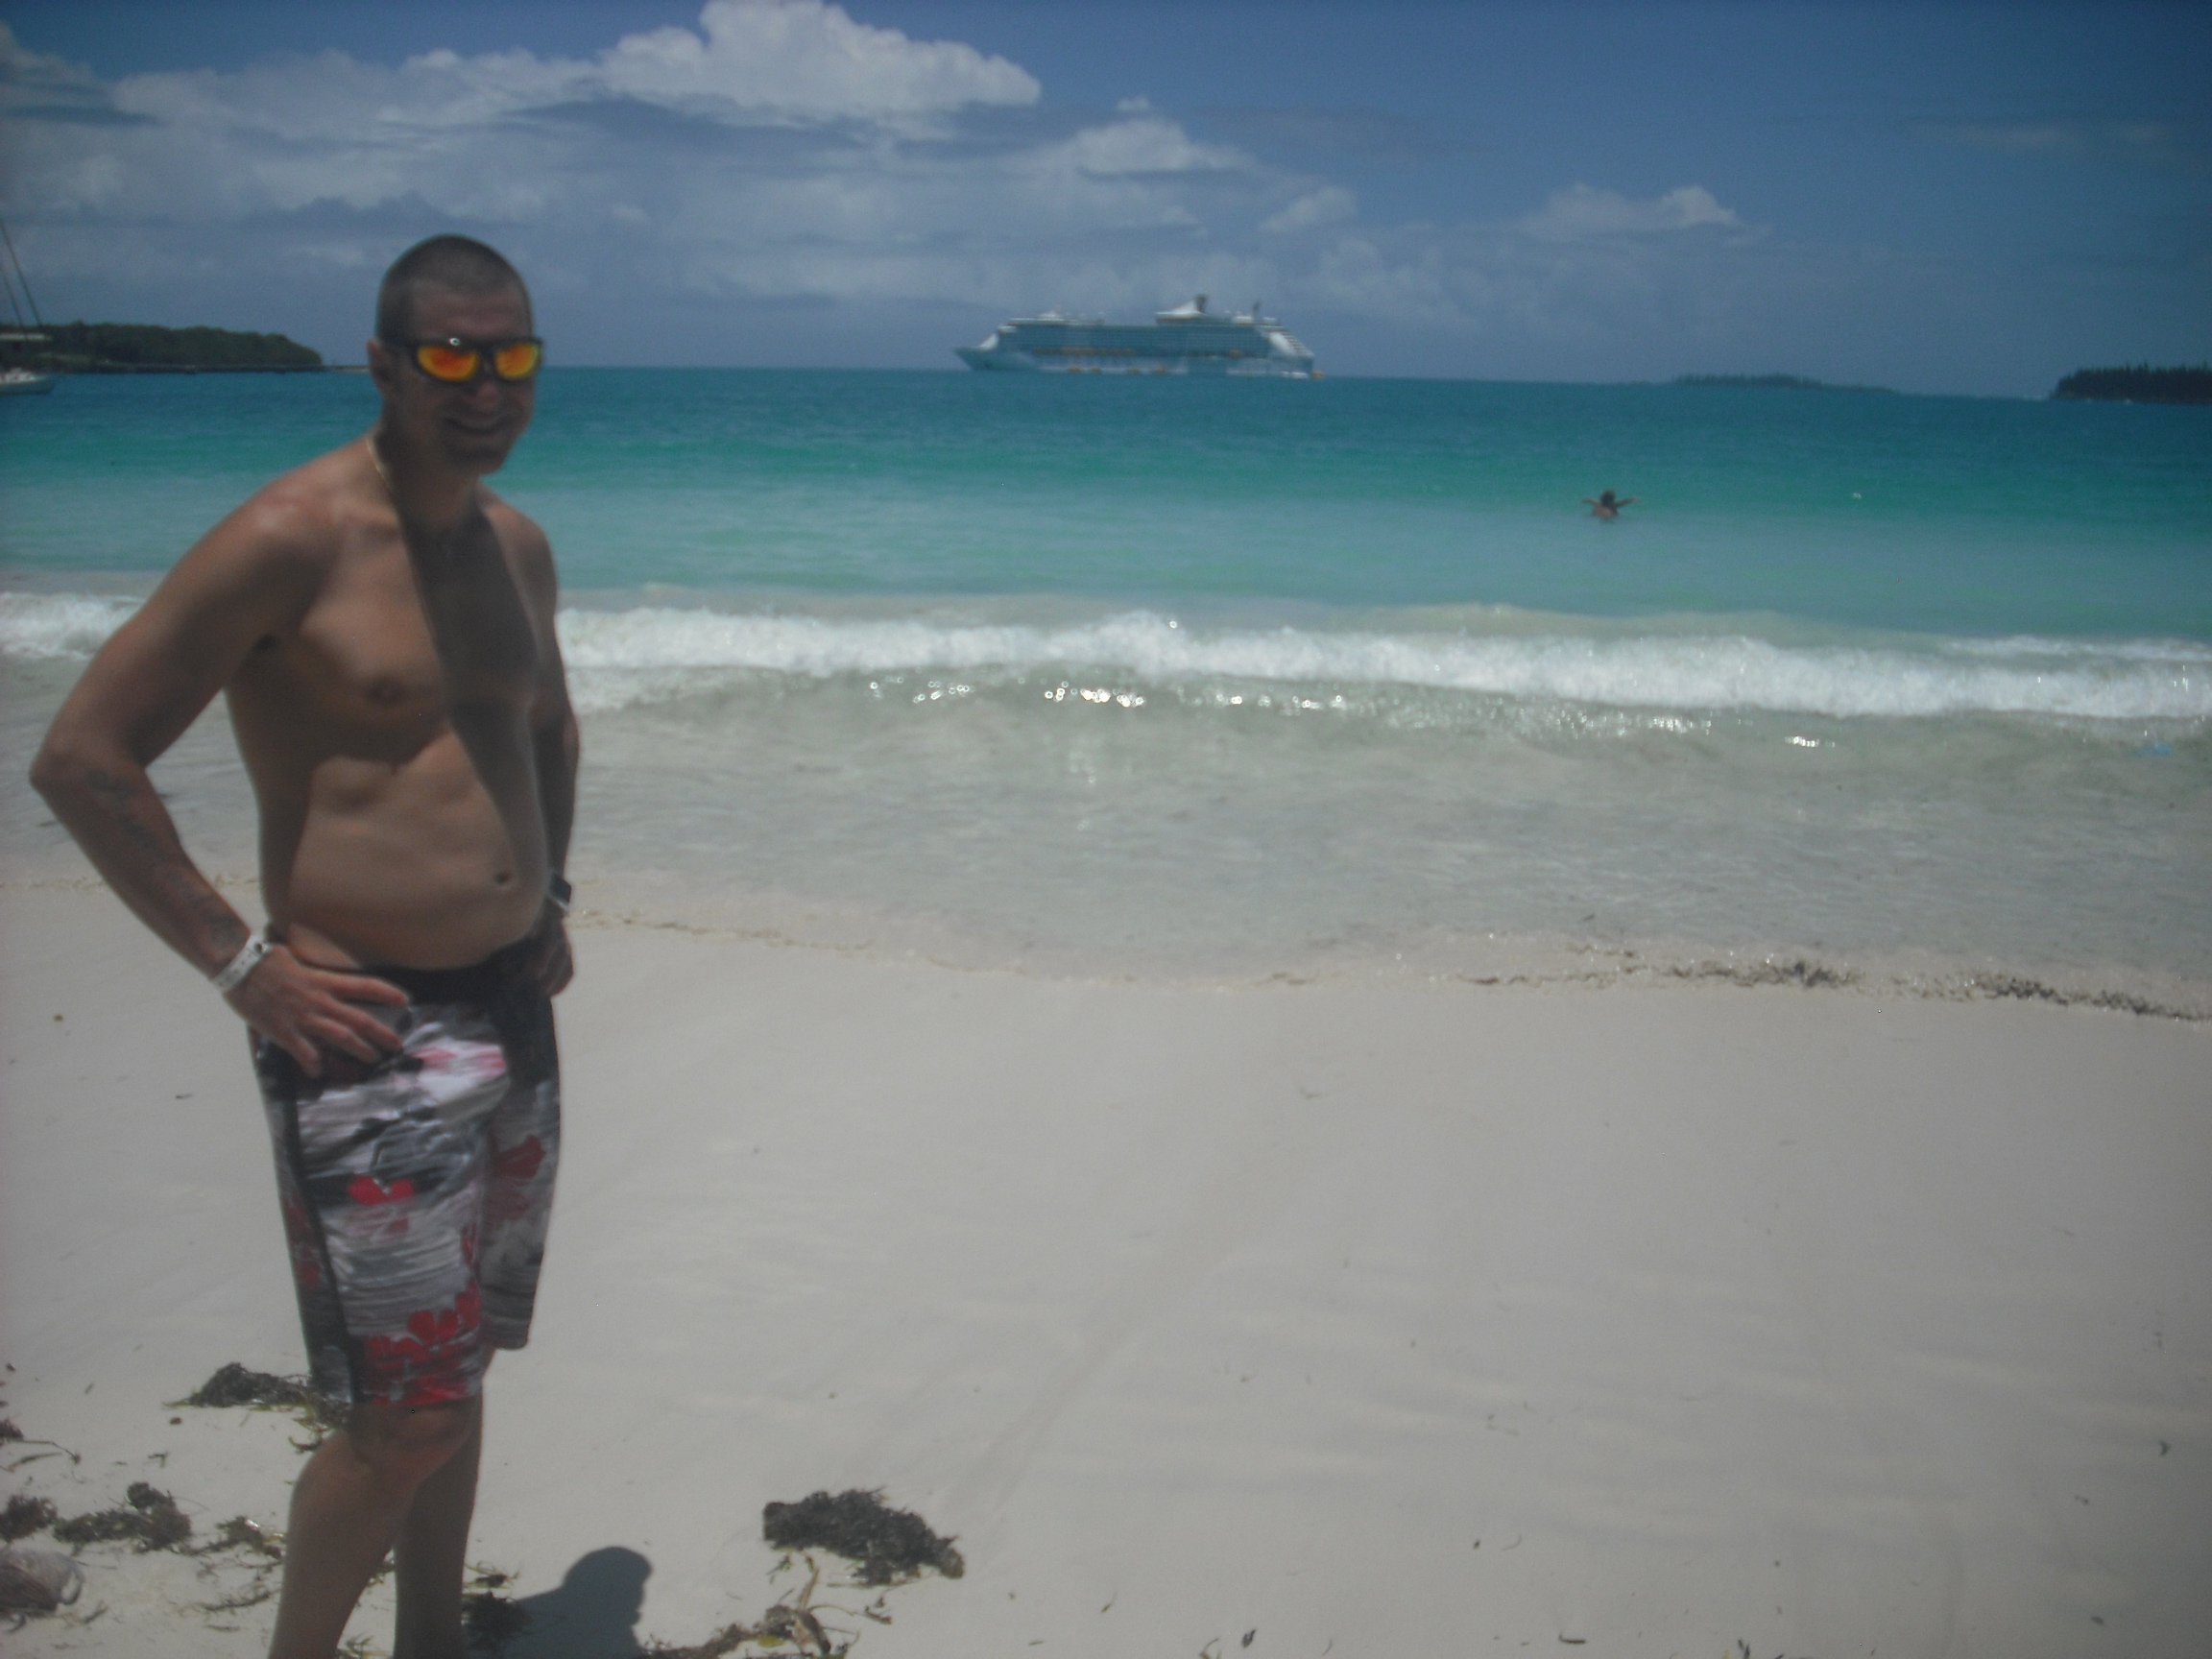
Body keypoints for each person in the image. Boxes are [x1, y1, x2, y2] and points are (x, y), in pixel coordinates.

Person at [31, 234, 577, 1659]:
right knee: (404, 1417)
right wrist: (238, 966)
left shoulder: (517, 546)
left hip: (512, 1011)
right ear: (383, 363)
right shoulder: (291, 538)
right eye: (451, 355)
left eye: (512, 354)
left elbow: (548, 728)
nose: (486, 384)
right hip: (363, 1037)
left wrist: (552, 899)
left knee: (459, 1370)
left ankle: (434, 1638)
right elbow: (84, 758)